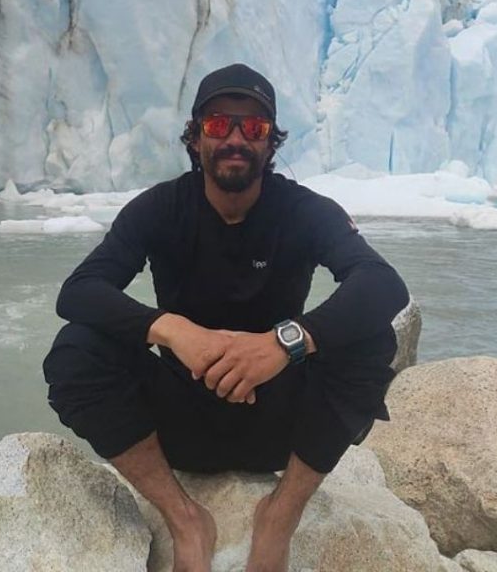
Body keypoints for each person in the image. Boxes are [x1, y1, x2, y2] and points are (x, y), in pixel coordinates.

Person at [43, 62, 409, 572]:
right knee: (76, 350)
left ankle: (279, 517)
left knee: (372, 341)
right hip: (178, 420)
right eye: (219, 124)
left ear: (271, 142)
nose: (236, 139)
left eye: (253, 127)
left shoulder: (304, 211)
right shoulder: (159, 209)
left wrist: (283, 344)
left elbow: (383, 283)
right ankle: (185, 518)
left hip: (280, 423)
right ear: (195, 137)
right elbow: (79, 291)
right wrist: (173, 330)